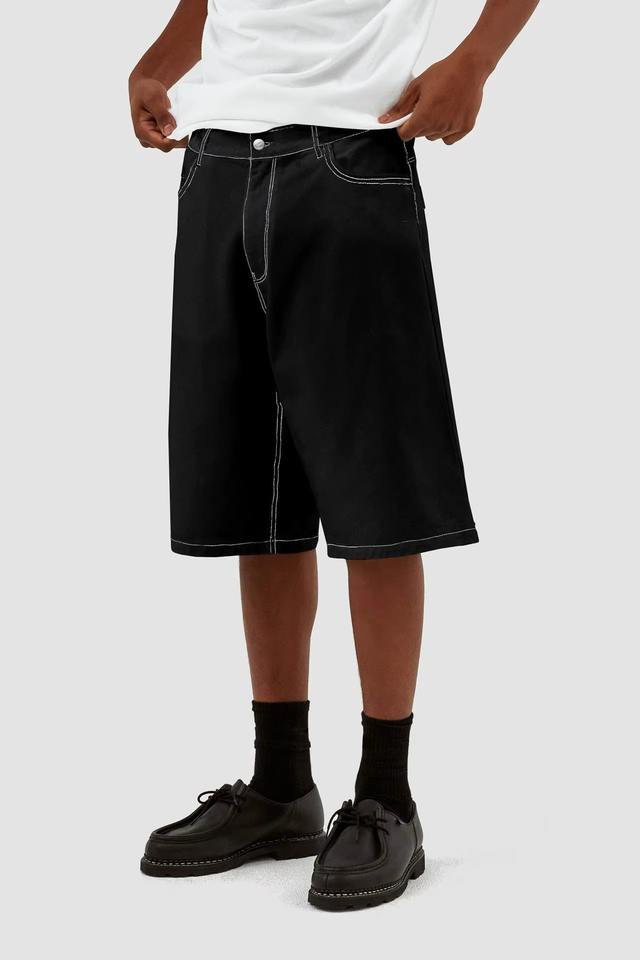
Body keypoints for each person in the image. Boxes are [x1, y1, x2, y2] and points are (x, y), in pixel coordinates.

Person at [131, 0, 539, 910]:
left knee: (375, 493)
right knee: (257, 497)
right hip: (216, 158)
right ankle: (281, 785)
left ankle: (388, 798)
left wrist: (477, 59)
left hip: (349, 149)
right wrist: (158, 64)